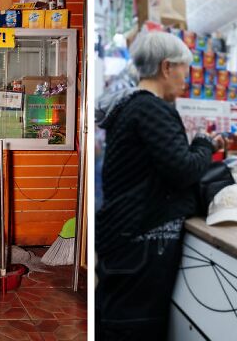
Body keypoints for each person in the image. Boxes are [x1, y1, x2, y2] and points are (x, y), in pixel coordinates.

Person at [95, 31, 224, 340]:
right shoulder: (151, 108)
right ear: (167, 67)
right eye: (184, 69)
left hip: (126, 234)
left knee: (117, 317)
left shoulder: (130, 107)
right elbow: (183, 169)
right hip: (143, 238)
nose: (186, 78)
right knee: (135, 326)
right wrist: (205, 143)